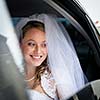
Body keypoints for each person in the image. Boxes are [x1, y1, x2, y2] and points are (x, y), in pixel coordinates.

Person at [16, 13, 85, 100]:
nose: (38, 51)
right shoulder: (9, 73)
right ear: (20, 44)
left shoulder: (58, 75)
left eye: (44, 45)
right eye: (31, 44)